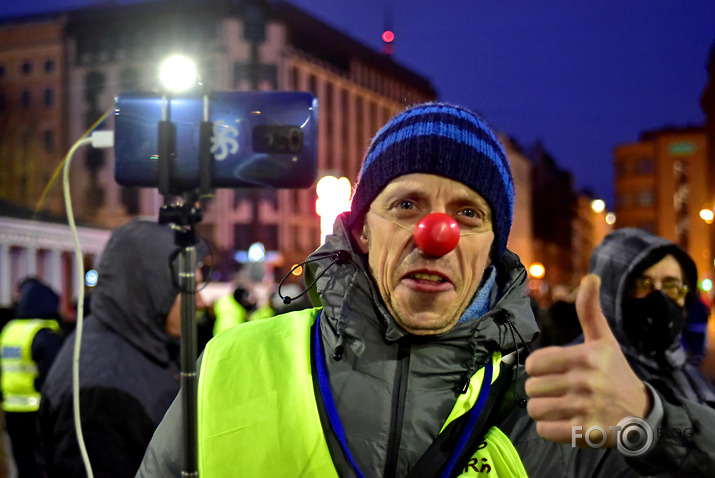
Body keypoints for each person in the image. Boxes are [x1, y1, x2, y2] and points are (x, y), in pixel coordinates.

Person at [137, 103, 692, 477]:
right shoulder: (229, 365)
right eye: (406, 205)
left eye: (467, 213)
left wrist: (652, 421)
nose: (436, 235)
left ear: (493, 247)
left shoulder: (550, 408)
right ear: (359, 227)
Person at [38, 218, 207, 477]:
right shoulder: (103, 390)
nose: (201, 302)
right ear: (156, 289)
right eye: (191, 289)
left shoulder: (145, 343)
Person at [577, 227, 715, 474]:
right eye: (643, 283)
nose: (660, 297)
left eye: (672, 285)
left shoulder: (686, 370)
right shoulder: (578, 373)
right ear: (612, 291)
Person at [0, 278, 63, 478]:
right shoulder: (43, 334)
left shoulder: (10, 331)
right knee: (41, 465)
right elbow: (54, 376)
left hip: (11, 408)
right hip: (37, 410)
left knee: (22, 463)